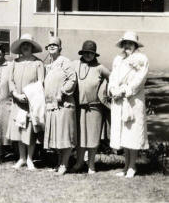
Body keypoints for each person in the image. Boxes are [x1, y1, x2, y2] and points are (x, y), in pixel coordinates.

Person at [108, 31, 149, 178]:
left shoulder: (141, 59)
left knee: (132, 133)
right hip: (119, 101)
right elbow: (113, 76)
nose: (127, 46)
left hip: (133, 101)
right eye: (125, 43)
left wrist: (125, 90)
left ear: (135, 45)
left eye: (130, 43)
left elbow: (139, 79)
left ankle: (133, 166)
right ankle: (126, 165)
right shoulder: (118, 59)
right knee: (123, 134)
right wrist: (113, 89)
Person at [70, 40, 110, 174]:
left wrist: (106, 92)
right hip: (79, 108)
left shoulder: (100, 68)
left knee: (93, 137)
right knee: (80, 137)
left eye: (91, 53)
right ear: (82, 53)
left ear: (95, 54)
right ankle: (79, 162)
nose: (88, 55)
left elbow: (113, 78)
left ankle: (91, 164)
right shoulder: (75, 65)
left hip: (94, 108)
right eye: (86, 52)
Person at [6, 34, 44, 170]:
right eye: (23, 45)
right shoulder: (14, 63)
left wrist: (30, 96)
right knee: (20, 130)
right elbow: (10, 81)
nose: (26, 47)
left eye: (28, 45)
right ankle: (21, 158)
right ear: (20, 48)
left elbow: (41, 83)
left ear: (32, 47)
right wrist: (15, 94)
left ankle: (30, 159)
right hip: (17, 102)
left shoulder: (38, 63)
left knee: (30, 132)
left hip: (31, 103)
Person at [43, 37, 77, 175]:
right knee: (57, 136)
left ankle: (65, 164)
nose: (51, 47)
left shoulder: (65, 62)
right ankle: (59, 163)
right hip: (52, 106)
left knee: (64, 136)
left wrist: (63, 91)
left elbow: (72, 79)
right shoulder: (50, 65)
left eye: (54, 45)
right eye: (49, 45)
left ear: (60, 48)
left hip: (64, 105)